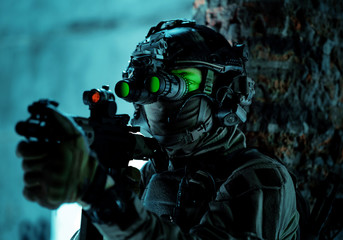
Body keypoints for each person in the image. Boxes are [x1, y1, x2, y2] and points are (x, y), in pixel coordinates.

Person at [16, 19, 300, 239]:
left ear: (225, 94)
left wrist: (106, 199)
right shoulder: (150, 175)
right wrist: (99, 203)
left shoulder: (260, 179)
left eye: (181, 81)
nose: (161, 99)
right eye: (151, 86)